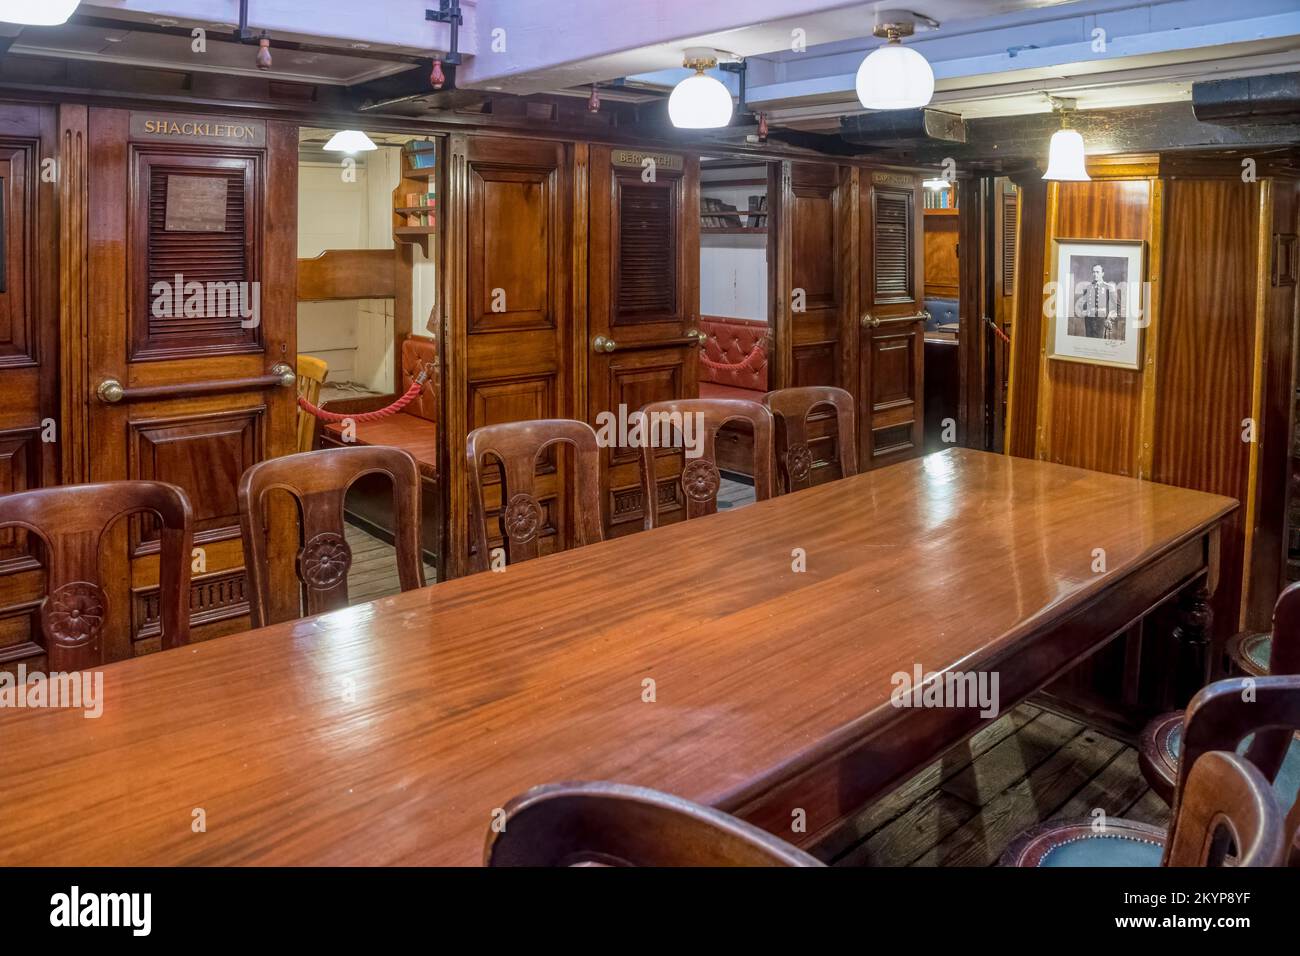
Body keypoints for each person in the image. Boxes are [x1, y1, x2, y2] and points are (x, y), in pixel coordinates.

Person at [1074, 263, 1120, 338]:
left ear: (1102, 273)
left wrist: (1110, 318)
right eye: (1094, 272)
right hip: (1089, 321)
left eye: (1097, 272)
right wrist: (1083, 312)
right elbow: (1083, 304)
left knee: (1100, 345)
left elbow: (1117, 306)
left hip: (1102, 321)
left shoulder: (1108, 287)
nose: (1095, 274)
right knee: (1089, 343)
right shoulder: (1088, 287)